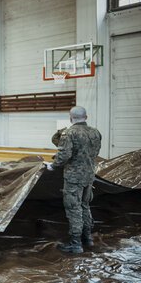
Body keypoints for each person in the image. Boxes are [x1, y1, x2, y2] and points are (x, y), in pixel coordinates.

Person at [48, 106, 102, 253]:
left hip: (73, 177)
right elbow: (96, 152)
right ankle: (88, 238)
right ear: (86, 117)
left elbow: (64, 155)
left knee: (74, 208)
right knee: (85, 205)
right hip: (89, 176)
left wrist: (53, 166)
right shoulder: (95, 132)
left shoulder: (69, 133)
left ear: (71, 118)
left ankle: (75, 243)